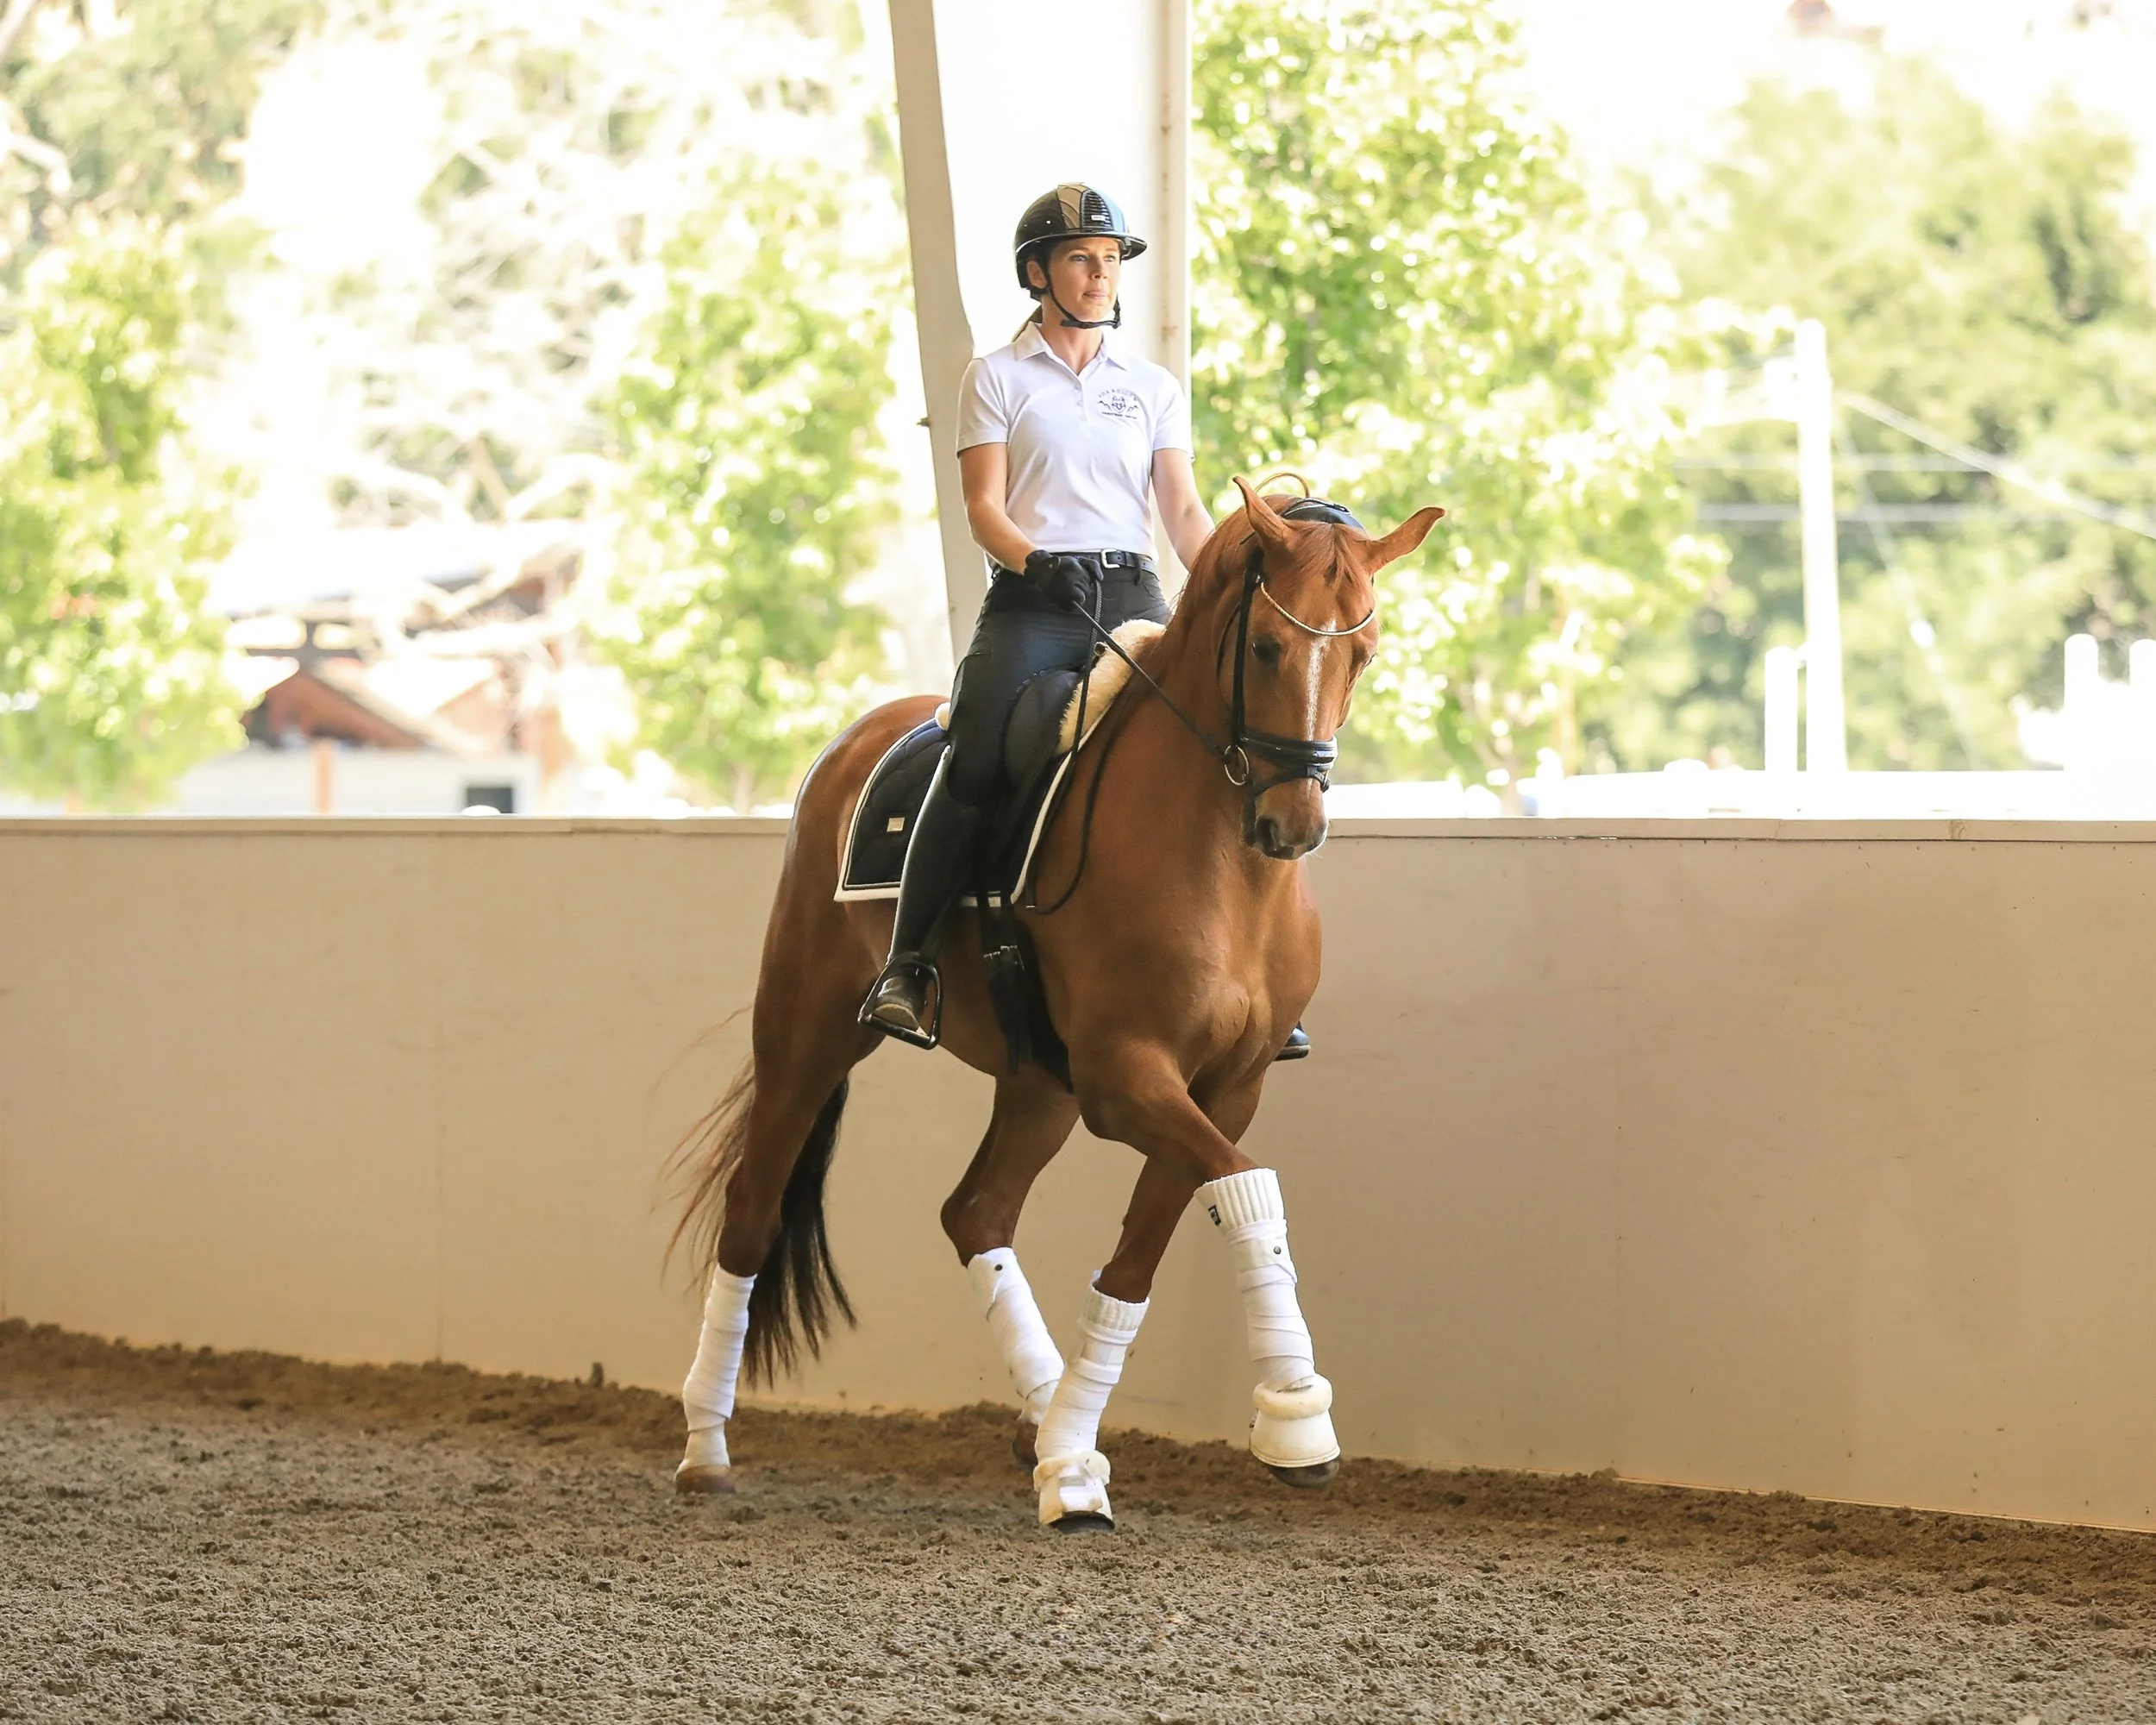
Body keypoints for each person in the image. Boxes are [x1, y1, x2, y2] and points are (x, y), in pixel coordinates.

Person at [858, 183, 1311, 1062]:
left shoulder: (1150, 387)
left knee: (1228, 736)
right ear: (1038, 274)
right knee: (980, 746)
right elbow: (983, 507)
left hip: (1132, 595)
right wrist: (1034, 560)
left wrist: (1231, 568)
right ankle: (909, 966)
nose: (1101, 276)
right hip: (1035, 601)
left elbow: (1179, 511)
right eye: (1081, 260)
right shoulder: (994, 377)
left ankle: (1263, 972)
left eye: (1108, 261)